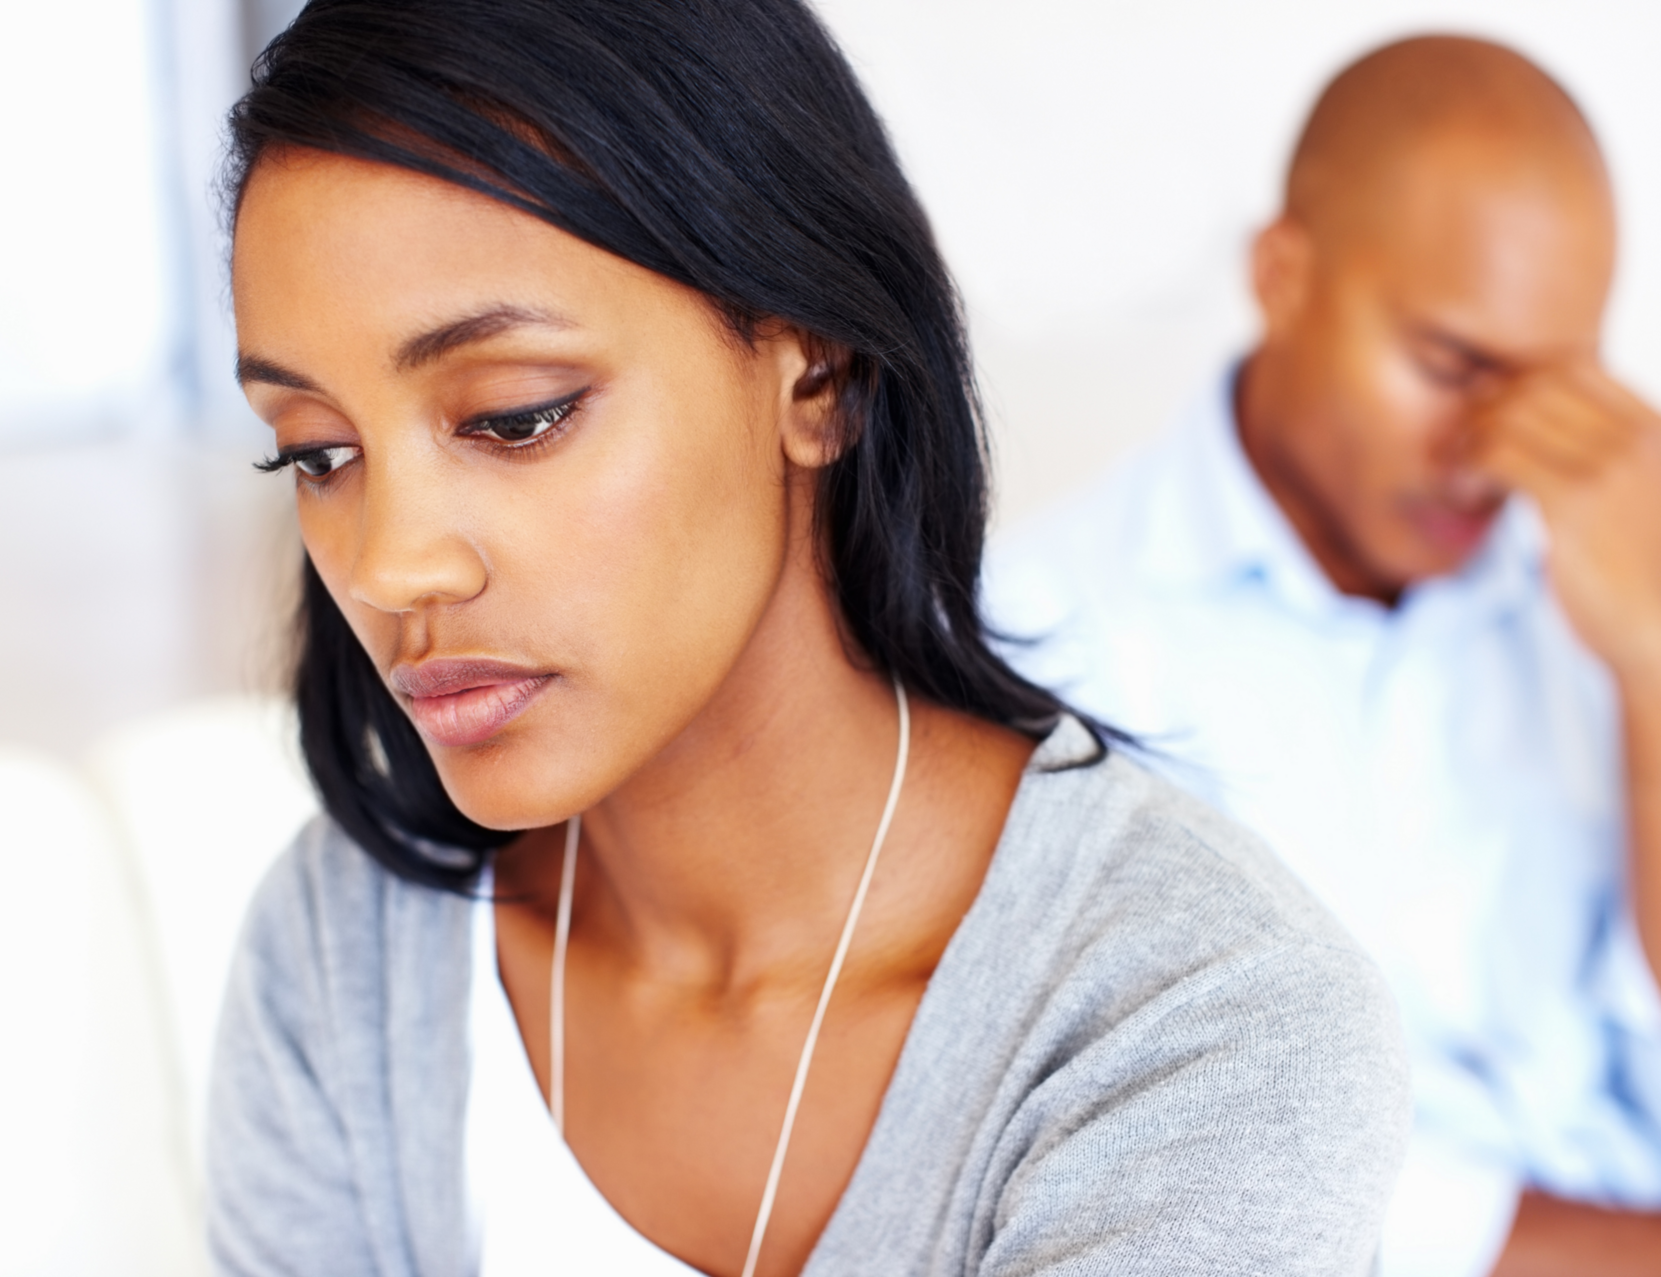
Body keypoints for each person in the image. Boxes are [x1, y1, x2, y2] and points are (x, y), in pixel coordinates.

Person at [205, 1, 1408, 1274]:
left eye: (514, 416)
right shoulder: (349, 954)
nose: (394, 563)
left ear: (816, 374)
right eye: (318, 452)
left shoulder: (1196, 1028)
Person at [987, 33, 1661, 1277]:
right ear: (1281, 275)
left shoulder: (1618, 562)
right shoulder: (1041, 645)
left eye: (1560, 380)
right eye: (1452, 366)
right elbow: (1222, 1153)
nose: (1496, 442)